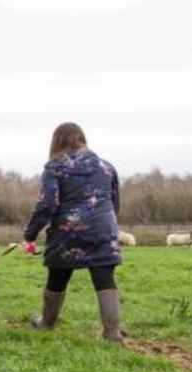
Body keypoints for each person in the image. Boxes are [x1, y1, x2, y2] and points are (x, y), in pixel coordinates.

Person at [23, 123, 125, 343]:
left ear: (57, 141)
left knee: (58, 275)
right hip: (103, 230)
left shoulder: (54, 167)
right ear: (82, 138)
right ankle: (112, 333)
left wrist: (30, 234)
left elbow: (47, 204)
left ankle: (46, 324)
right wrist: (107, 227)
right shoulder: (107, 166)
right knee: (104, 277)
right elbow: (114, 203)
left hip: (68, 232)